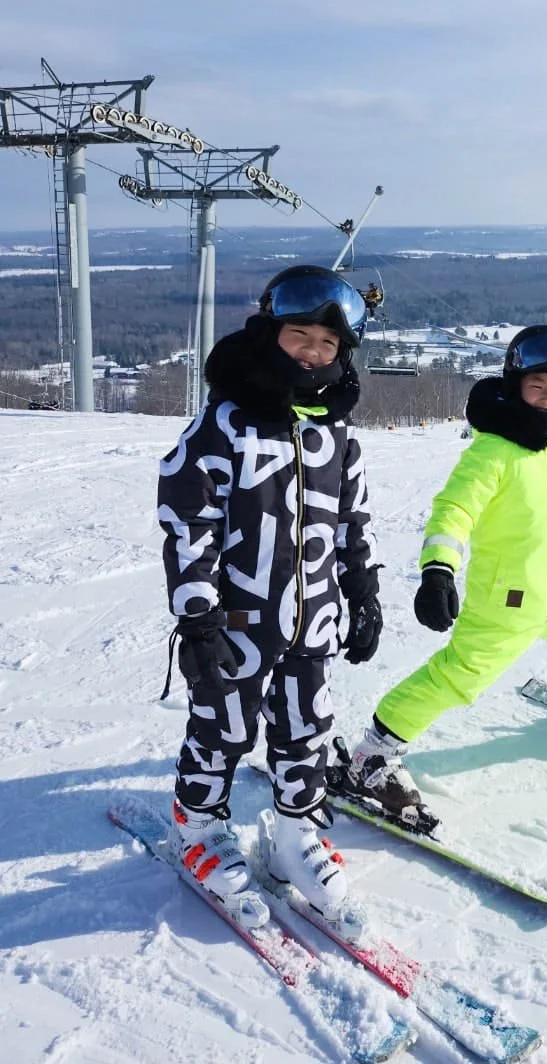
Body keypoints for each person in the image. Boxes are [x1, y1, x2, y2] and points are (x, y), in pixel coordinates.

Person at [337, 324, 547, 820]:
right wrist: (438, 571)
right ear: (515, 388)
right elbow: (454, 512)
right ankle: (374, 755)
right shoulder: (492, 452)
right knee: (459, 676)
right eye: (537, 386)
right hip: (508, 601)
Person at [158, 265, 382, 923]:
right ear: (268, 333)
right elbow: (188, 518)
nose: (312, 352)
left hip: (314, 622)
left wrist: (362, 588)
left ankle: (292, 834)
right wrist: (197, 616)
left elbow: (352, 518)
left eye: (327, 344)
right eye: (299, 336)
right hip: (238, 622)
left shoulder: (337, 433)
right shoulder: (227, 422)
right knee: (222, 727)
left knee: (307, 729)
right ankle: (197, 826)